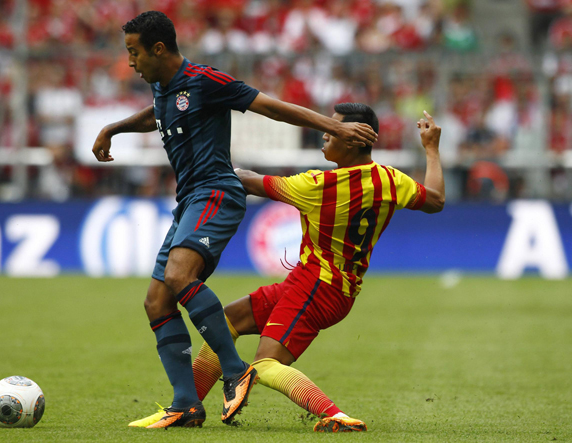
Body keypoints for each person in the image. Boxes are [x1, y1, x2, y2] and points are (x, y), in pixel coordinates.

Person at [91, 11, 377, 429]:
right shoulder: (162, 87)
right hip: (189, 199)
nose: (130, 62)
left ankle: (235, 369)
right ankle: (186, 403)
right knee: (156, 301)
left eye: (134, 52)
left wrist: (332, 125)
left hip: (217, 192)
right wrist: (114, 128)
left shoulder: (206, 80)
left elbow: (271, 107)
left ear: (158, 48)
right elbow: (158, 112)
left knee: (178, 276)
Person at [131, 104, 443, 432]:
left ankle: (336, 415)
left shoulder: (319, 187)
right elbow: (436, 200)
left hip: (318, 287)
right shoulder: (391, 179)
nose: (325, 132)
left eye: (334, 129)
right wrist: (432, 150)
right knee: (225, 322)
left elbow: (250, 182)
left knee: (265, 363)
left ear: (353, 140)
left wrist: (212, 168)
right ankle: (187, 406)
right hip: (321, 284)